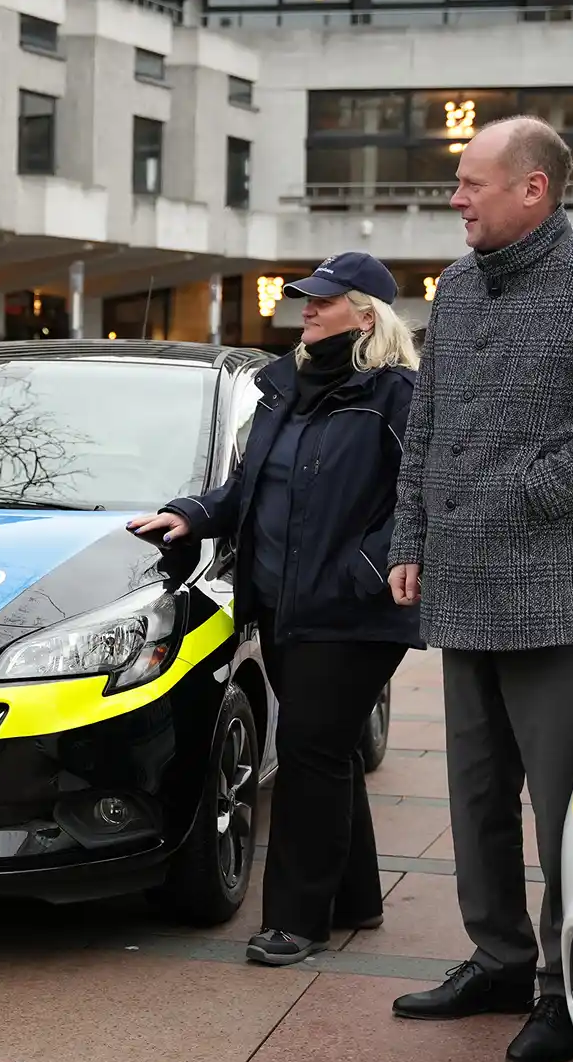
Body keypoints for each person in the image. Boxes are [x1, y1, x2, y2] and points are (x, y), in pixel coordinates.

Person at [385, 117, 573, 1062]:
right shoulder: (458, 286)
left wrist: (533, 488)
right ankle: (501, 958)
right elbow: (426, 425)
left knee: (564, 814)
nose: (456, 199)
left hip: (561, 597)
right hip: (464, 590)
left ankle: (565, 986)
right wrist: (410, 537)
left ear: (533, 191)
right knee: (474, 795)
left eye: (472, 183)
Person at [129, 252, 422, 967]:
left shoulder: (398, 396)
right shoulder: (280, 392)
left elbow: (426, 497)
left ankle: (297, 919)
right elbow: (247, 491)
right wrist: (192, 515)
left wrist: (368, 565)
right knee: (332, 750)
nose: (307, 310)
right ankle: (356, 900)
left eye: (323, 300)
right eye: (306, 299)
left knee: (309, 751)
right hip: (283, 604)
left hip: (352, 610)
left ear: (366, 313)